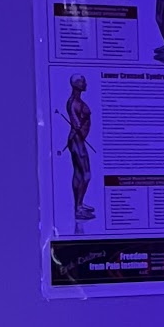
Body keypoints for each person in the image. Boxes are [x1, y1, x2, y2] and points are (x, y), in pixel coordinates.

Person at [65, 75, 94, 220]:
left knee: (78, 173)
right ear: (76, 84)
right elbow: (76, 123)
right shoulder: (73, 103)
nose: (86, 83)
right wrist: (80, 124)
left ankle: (79, 205)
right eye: (83, 81)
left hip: (78, 140)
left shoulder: (76, 101)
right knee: (86, 174)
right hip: (76, 140)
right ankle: (78, 209)